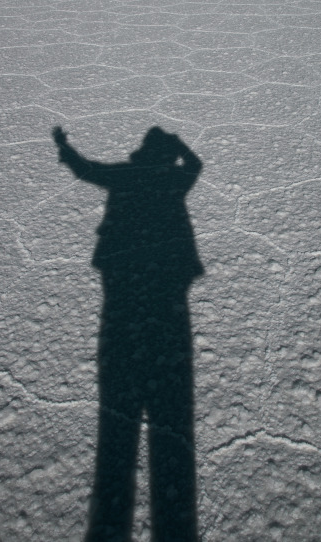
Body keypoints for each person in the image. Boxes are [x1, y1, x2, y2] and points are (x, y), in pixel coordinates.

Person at [52, 125, 203, 542]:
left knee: (120, 330)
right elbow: (197, 165)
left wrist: (65, 149)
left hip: (123, 277)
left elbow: (87, 170)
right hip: (167, 282)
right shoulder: (173, 178)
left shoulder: (130, 175)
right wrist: (179, 146)